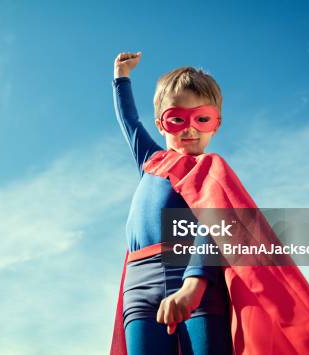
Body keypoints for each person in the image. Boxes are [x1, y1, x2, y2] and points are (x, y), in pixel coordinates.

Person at [112, 51, 233, 355]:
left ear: (215, 124)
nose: (189, 129)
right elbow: (130, 121)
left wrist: (193, 285)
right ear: (161, 124)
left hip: (197, 280)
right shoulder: (151, 161)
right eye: (177, 119)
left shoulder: (210, 170)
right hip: (140, 286)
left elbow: (214, 223)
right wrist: (121, 77)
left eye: (201, 119)